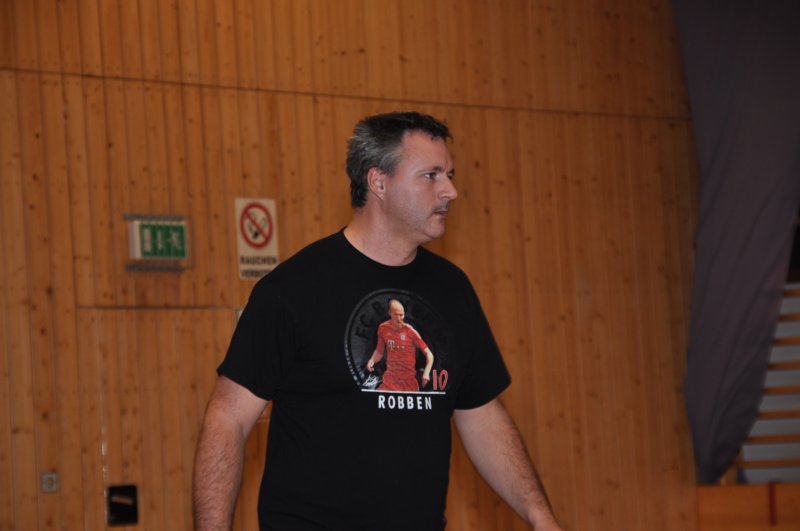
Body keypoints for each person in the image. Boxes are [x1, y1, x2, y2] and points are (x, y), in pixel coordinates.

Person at [193, 111, 562, 531]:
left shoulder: (452, 289)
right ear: (378, 182)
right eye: (431, 175)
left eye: (450, 174)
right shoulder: (295, 289)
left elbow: (481, 414)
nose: (451, 191)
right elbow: (228, 417)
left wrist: (541, 517)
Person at [366, 298, 434, 391]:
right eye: (396, 315)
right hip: (389, 382)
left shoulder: (411, 331)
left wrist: (426, 373)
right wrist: (372, 360)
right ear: (390, 313)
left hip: (408, 383)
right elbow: (379, 351)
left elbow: (429, 354)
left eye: (401, 315)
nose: (399, 319)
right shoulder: (382, 328)